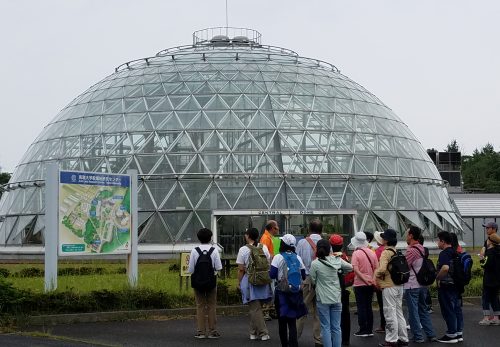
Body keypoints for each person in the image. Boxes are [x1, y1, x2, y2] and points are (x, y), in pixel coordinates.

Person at [310, 239, 353, 347]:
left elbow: (313, 279)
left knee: (325, 327)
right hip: (336, 297)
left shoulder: (315, 263)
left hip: (323, 299)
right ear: (330, 248)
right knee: (336, 327)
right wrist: (341, 272)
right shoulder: (337, 260)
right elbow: (350, 267)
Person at [270, 234, 307, 347]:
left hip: (281, 293)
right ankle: (294, 344)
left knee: (282, 321)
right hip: (295, 292)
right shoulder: (298, 257)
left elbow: (272, 275)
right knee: (292, 322)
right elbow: (304, 276)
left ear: (283, 244)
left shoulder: (278, 257)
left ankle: (284, 345)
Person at [236, 227, 273, 341]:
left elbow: (241, 269)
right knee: (257, 307)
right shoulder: (263, 247)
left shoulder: (243, 249)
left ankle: (263, 333)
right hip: (263, 279)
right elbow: (268, 262)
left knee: (254, 308)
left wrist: (239, 282)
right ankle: (253, 332)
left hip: (250, 279)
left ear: (247, 236)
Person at [374, 229, 409, 347]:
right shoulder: (396, 251)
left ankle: (391, 340)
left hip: (389, 286)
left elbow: (382, 269)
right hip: (399, 285)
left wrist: (375, 274)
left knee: (389, 312)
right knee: (399, 312)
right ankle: (403, 338)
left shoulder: (385, 252)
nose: (382, 239)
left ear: (386, 240)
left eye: (384, 237)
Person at [187, 228, 223, 339]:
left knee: (200, 306)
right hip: (211, 282)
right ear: (210, 238)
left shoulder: (194, 251)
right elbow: (218, 267)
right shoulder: (214, 250)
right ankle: (213, 331)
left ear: (199, 238)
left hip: (197, 282)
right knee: (212, 306)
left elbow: (191, 270)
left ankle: (201, 332)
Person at [404, 226, 437, 343]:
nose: (406, 236)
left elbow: (404, 266)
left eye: (407, 234)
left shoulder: (411, 250)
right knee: (423, 309)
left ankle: (418, 336)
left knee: (413, 311)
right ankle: (431, 334)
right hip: (423, 284)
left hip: (412, 284)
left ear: (411, 235)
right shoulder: (422, 248)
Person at [296, 219, 324, 346]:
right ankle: (318, 339)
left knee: (302, 309)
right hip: (321, 280)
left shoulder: (302, 242)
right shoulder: (325, 243)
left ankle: (294, 337)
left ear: (309, 229)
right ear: (321, 230)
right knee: (318, 312)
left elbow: (297, 262)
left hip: (306, 279)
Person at [435, 231, 464, 343]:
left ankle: (451, 334)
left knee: (448, 309)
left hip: (447, 285)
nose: (437, 242)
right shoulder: (455, 252)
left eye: (438, 240)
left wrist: (438, 278)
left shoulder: (444, 253)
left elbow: (445, 268)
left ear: (443, 241)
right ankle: (458, 333)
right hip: (456, 285)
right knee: (456, 309)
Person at [351, 231, 378, 338]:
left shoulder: (356, 253)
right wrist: (372, 280)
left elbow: (356, 270)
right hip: (371, 283)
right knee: (368, 306)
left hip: (359, 284)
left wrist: (365, 280)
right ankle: (370, 329)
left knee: (361, 307)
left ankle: (363, 329)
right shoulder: (372, 252)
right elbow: (376, 268)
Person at [329, 234, 355, 346]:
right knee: (345, 314)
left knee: (332, 315)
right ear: (341, 245)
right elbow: (350, 270)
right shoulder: (344, 257)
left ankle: (333, 339)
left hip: (332, 289)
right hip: (343, 288)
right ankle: (345, 339)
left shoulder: (328, 257)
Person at [479, 232, 500, 325]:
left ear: (490, 242)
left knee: (486, 298)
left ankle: (486, 318)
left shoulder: (490, 253)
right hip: (497, 279)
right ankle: (496, 318)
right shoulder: (498, 251)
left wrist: (481, 258)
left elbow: (485, 265)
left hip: (489, 280)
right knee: (494, 297)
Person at [260, 220, 280, 321]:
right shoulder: (266, 238)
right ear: (272, 228)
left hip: (270, 266)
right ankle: (266, 312)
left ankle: (270, 310)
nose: (278, 229)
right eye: (277, 228)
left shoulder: (268, 237)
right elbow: (265, 255)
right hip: (268, 267)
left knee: (271, 289)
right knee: (269, 289)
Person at [374, 231, 386, 334]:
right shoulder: (389, 249)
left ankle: (383, 325)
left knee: (382, 304)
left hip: (381, 281)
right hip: (391, 281)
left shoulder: (378, 251)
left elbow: (376, 267)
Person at [417, 234, 433, 313]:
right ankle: (428, 306)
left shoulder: (418, 250)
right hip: (425, 273)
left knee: (423, 291)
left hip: (421, 273)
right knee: (425, 290)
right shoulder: (425, 249)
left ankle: (426, 306)